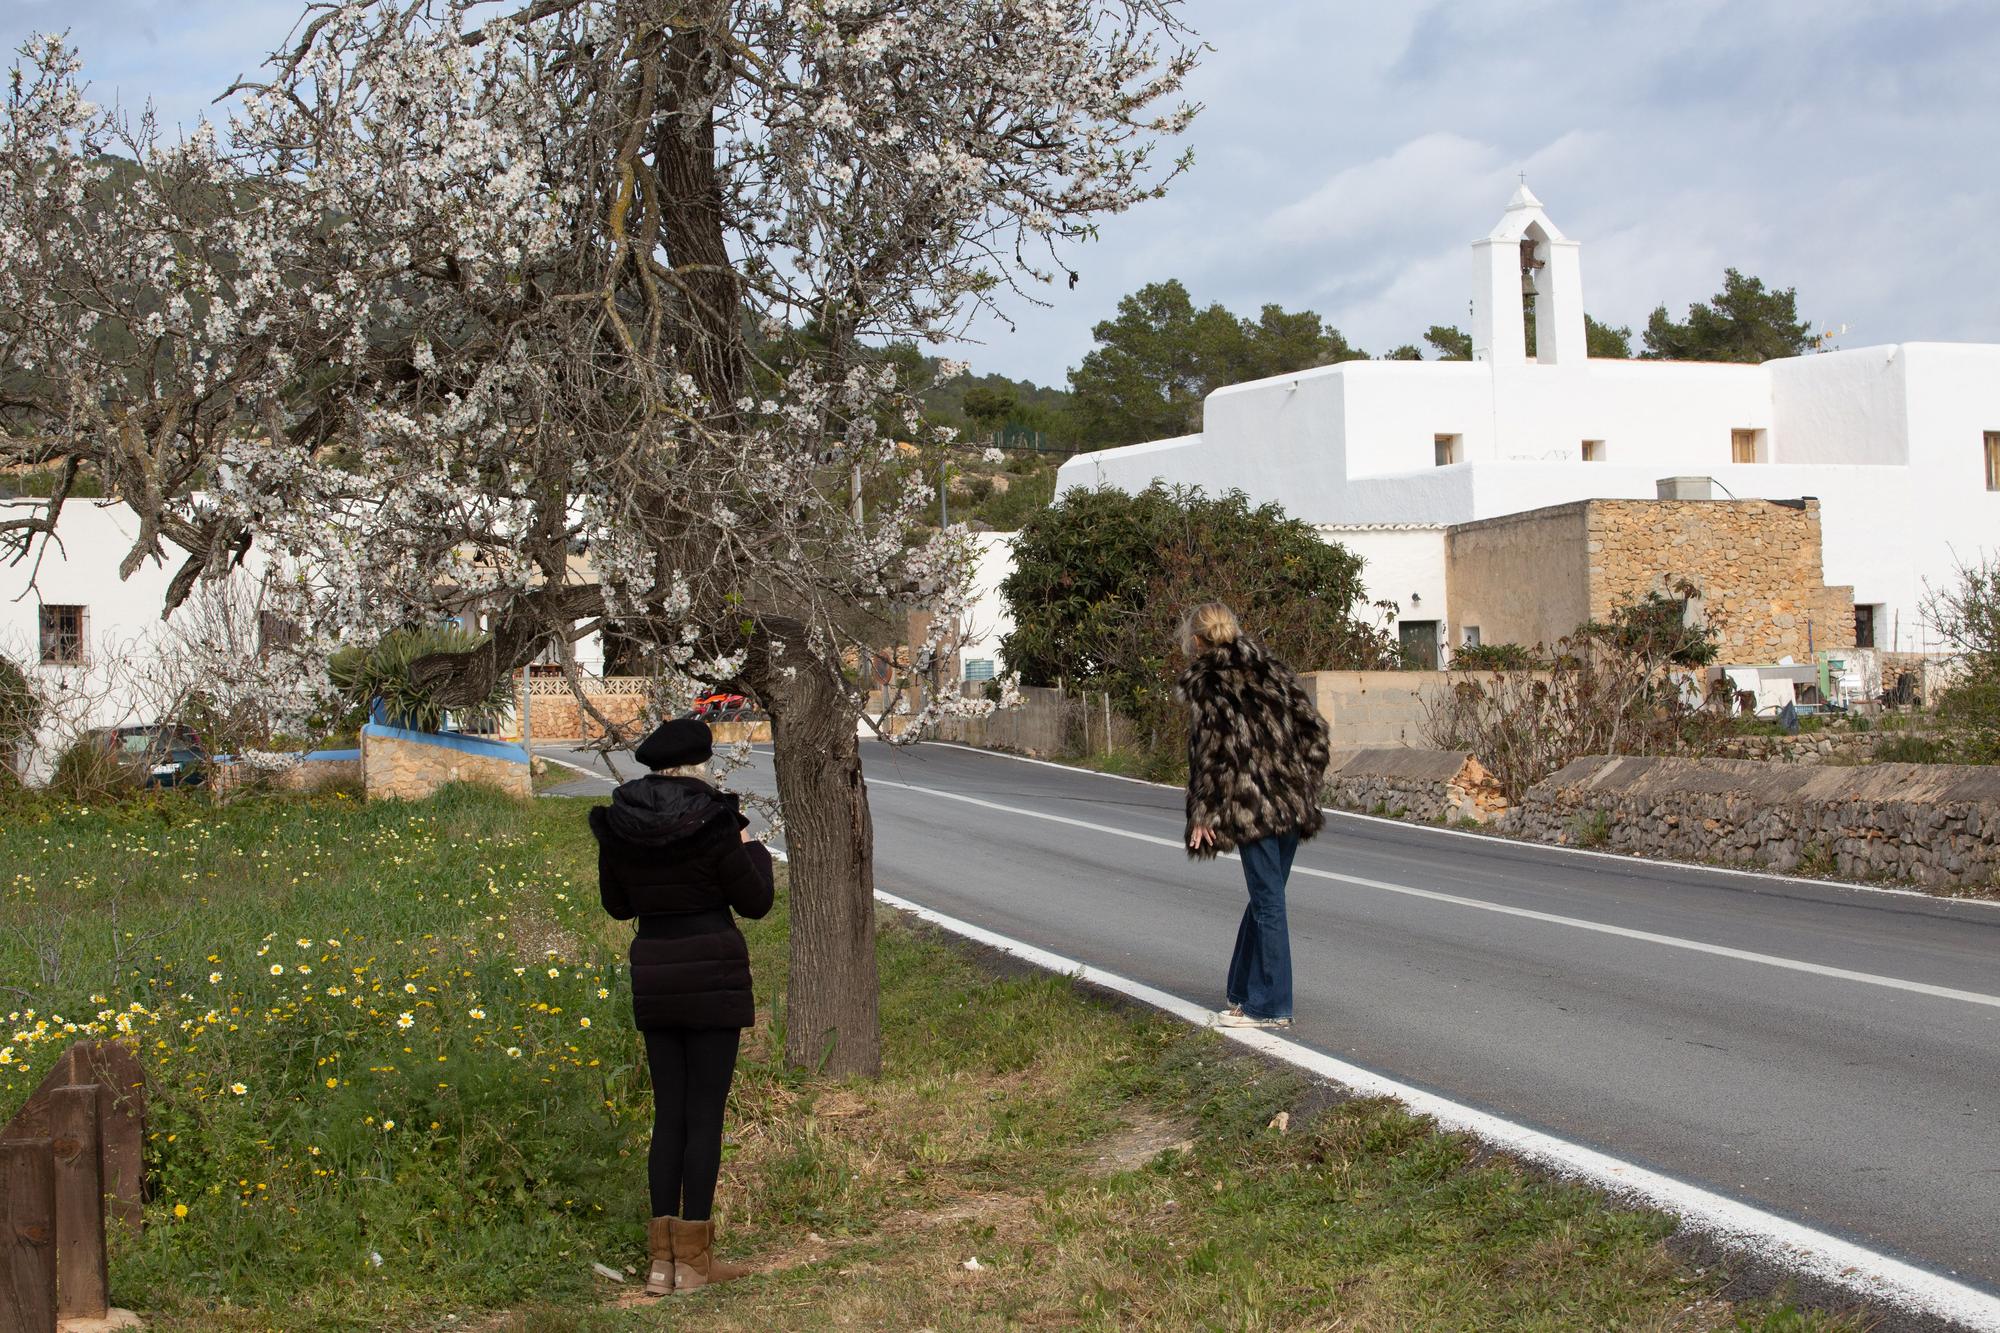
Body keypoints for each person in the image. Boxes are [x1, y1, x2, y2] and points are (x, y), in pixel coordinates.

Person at [590, 716, 774, 1296]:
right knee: (705, 1115)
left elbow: (617, 907)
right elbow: (756, 903)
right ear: (701, 764)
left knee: (667, 1114)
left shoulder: (621, 823)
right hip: (712, 971)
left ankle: (660, 1264)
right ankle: (695, 1263)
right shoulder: (715, 821)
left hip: (655, 969)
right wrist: (755, 849)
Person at [1178, 602, 1331, 1030]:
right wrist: (1302, 781)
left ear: (1197, 641)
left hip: (1253, 809)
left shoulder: (1208, 682)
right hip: (1292, 803)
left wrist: (1204, 813)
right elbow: (1315, 733)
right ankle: (1243, 993)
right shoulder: (1271, 669)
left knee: (1267, 902)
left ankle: (1270, 1006)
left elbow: (1212, 755)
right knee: (1267, 897)